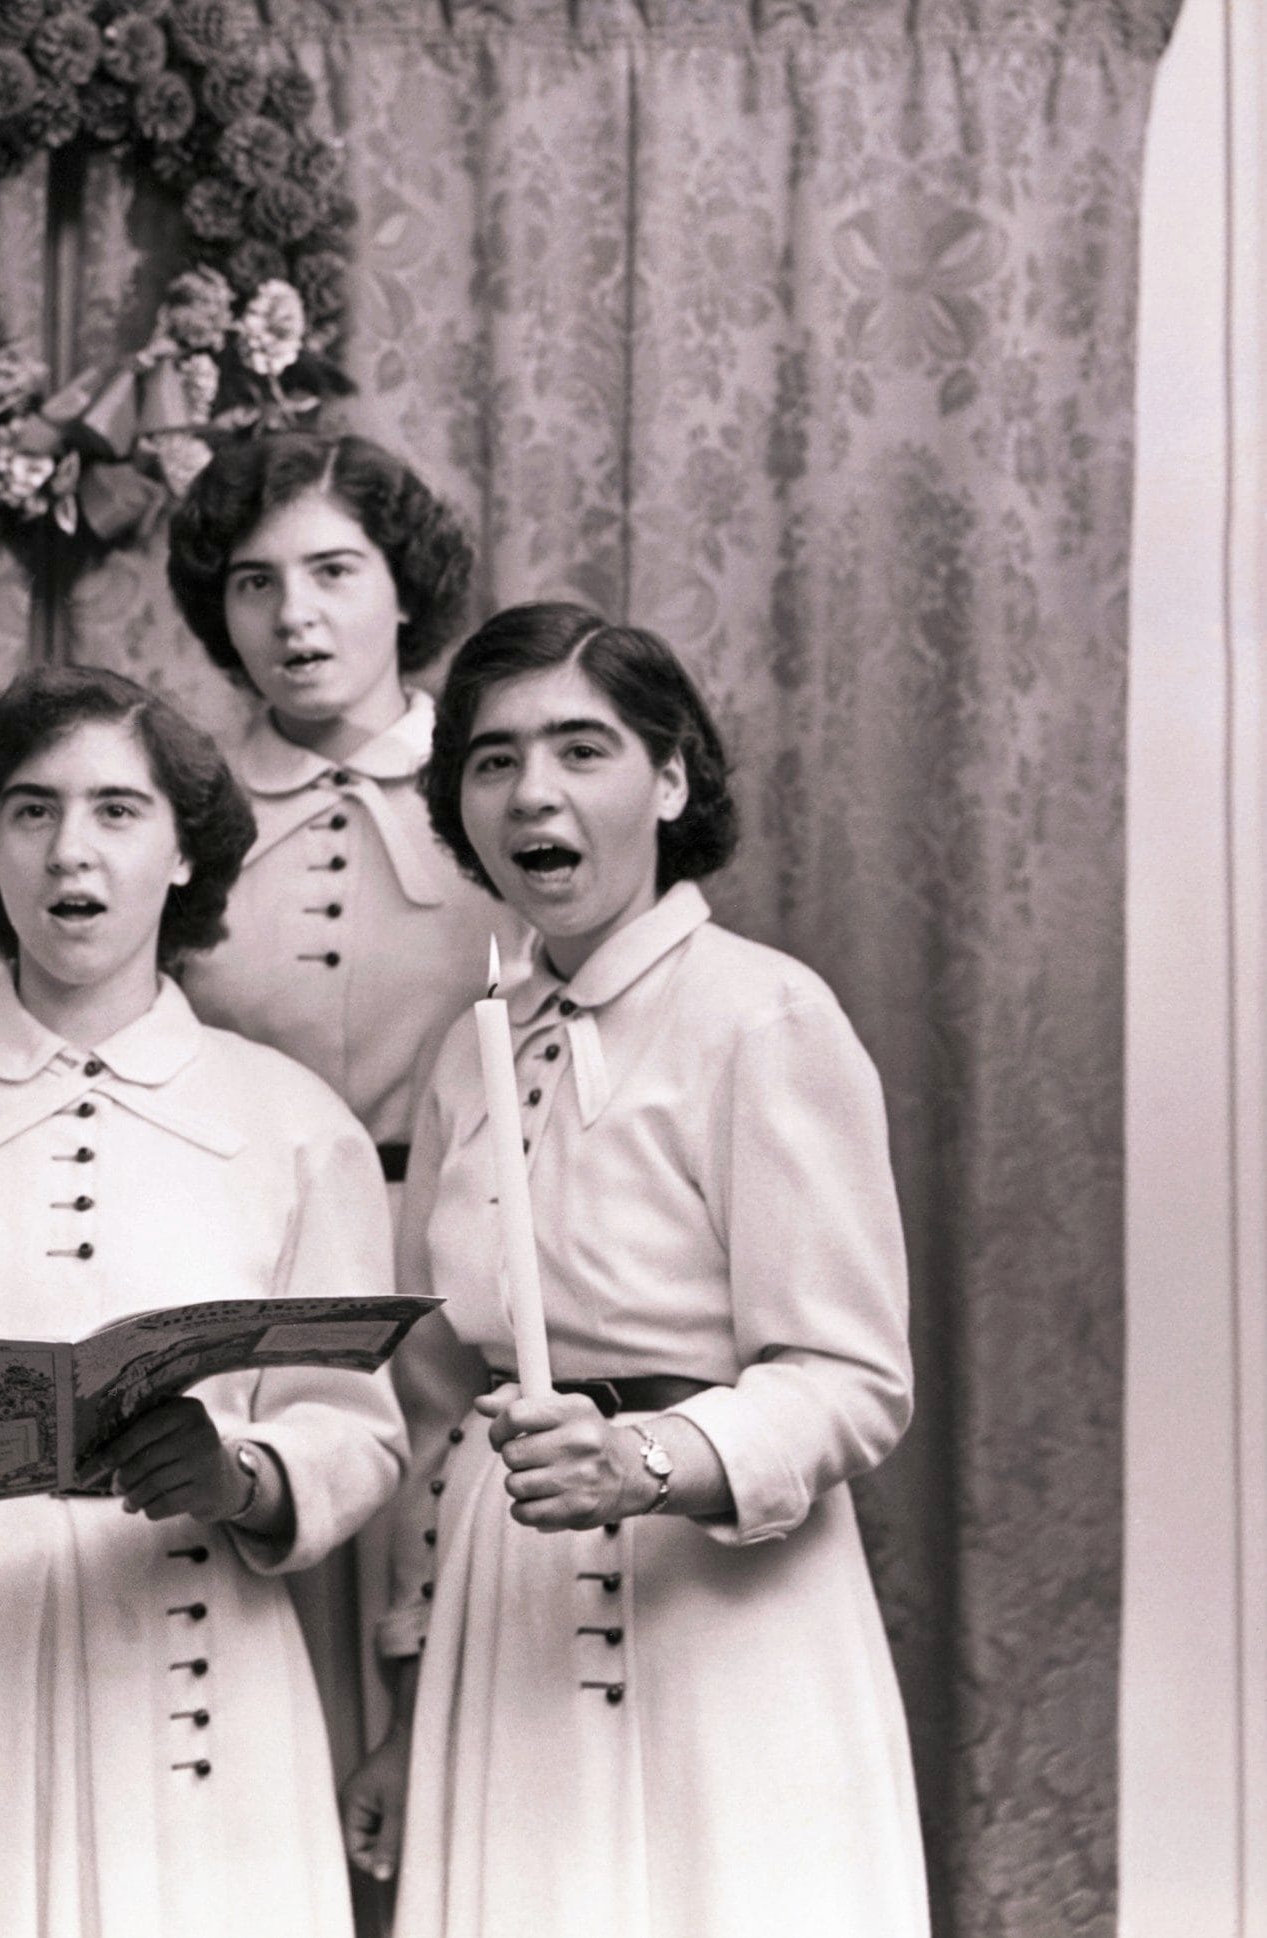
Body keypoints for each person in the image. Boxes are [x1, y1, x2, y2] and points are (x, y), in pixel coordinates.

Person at [0, 665, 407, 1937]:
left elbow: (355, 1427)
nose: (71, 853)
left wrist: (242, 1475)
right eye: (31, 811)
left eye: (117, 811)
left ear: (181, 858)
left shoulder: (291, 1124)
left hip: (196, 1690)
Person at [341, 604, 928, 1936]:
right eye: (491, 760)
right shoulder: (465, 1052)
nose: (532, 791)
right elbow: (436, 1407)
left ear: (669, 778)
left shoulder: (765, 1014)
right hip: (507, 1616)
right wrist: (409, 1702)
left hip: (727, 1627)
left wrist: (649, 1458)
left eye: (581, 748)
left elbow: (851, 1379)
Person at [166, 431, 510, 1802]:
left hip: (462, 1262)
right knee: (268, 1673)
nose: (294, 616)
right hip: (245, 1273)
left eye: (332, 571)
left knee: (450, 1675)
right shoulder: (180, 805)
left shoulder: (497, 786)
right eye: (255, 584)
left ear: (402, 586)